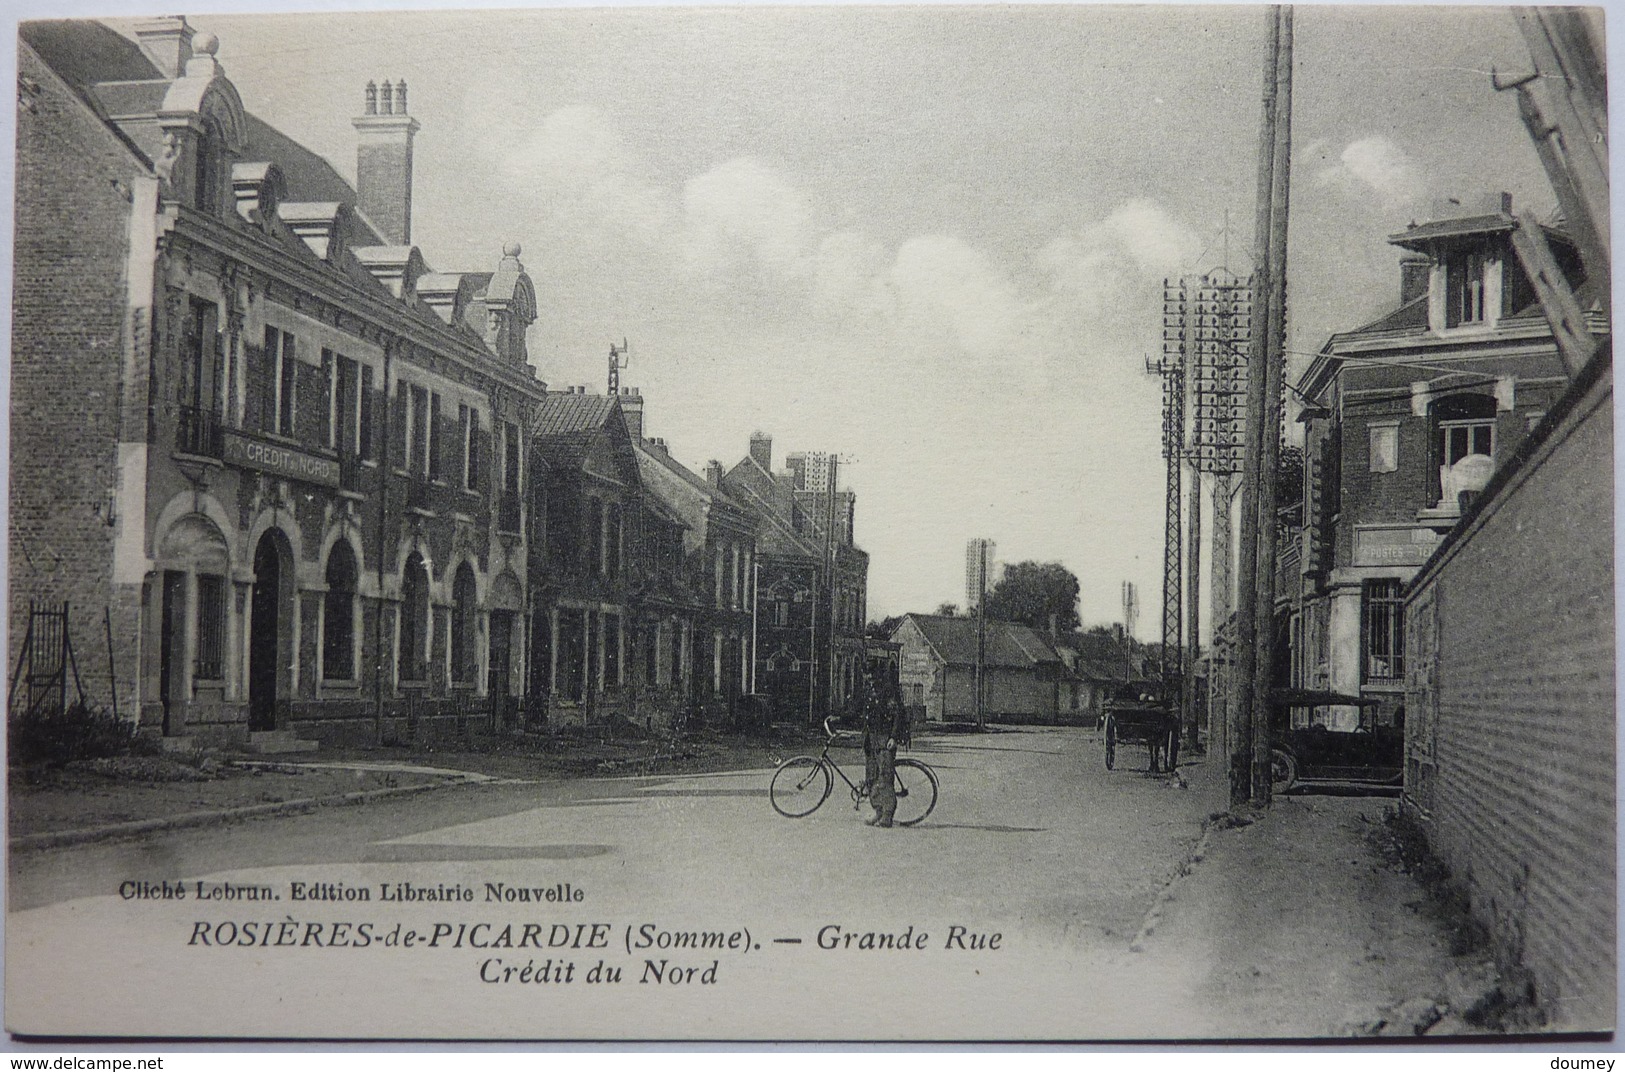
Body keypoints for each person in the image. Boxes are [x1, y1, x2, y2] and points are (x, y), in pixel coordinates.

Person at [860, 668, 911, 827]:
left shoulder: (887, 691)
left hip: (885, 738)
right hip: (871, 738)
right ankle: (878, 811)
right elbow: (858, 710)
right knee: (872, 776)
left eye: (871, 674)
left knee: (885, 777)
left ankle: (887, 815)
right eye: (866, 673)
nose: (868, 677)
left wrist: (894, 737)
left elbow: (897, 715)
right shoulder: (868, 690)